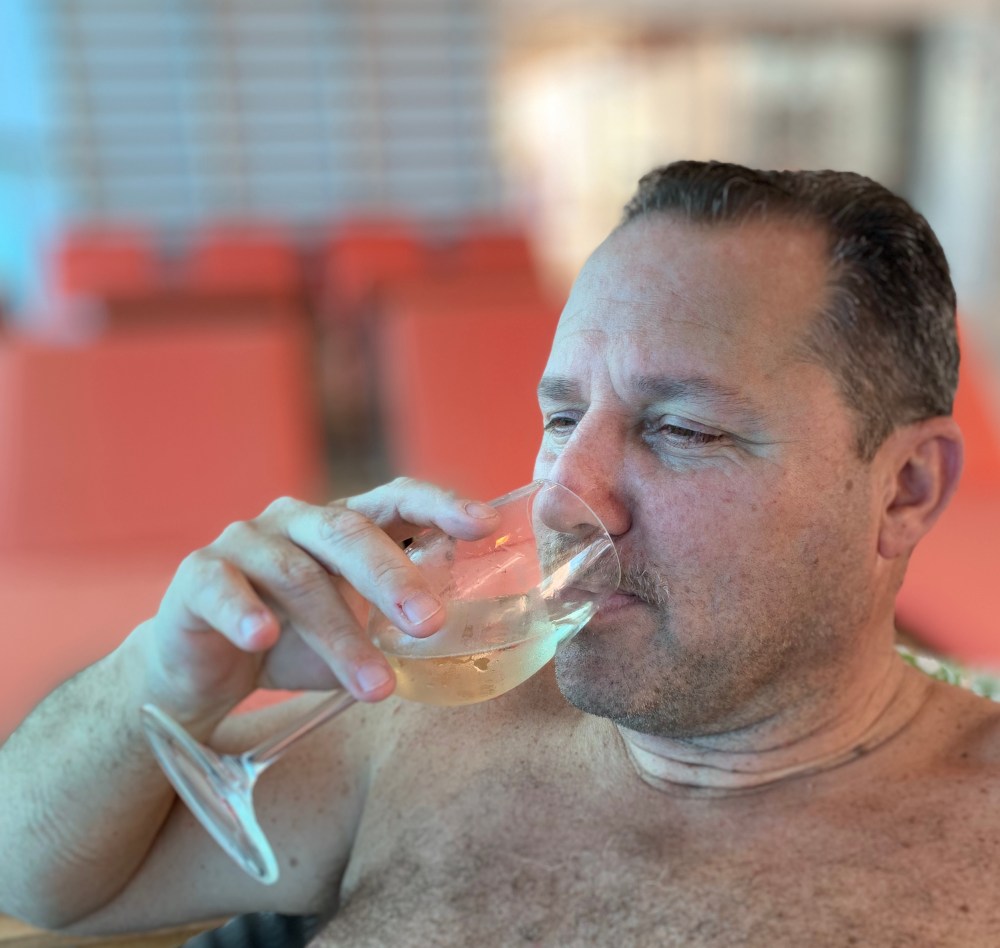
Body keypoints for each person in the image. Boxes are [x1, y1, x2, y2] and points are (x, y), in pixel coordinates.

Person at [1, 160, 994, 946]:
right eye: (561, 417)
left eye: (682, 429)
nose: (563, 494)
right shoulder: (427, 735)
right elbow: (34, 878)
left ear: (904, 489)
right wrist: (162, 676)